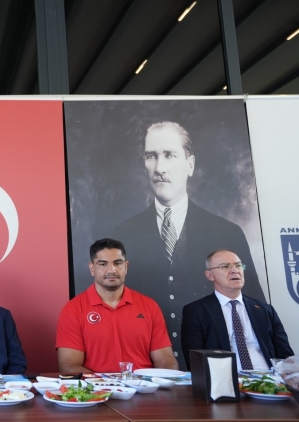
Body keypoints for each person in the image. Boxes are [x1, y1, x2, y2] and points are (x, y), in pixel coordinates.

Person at [113, 121, 265, 369]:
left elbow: (253, 307)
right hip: (149, 370)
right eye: (151, 156)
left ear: (190, 164)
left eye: (170, 155)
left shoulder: (227, 232)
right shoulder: (122, 235)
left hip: (214, 368)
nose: (159, 167)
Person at [57, 238, 178, 374]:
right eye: (103, 264)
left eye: (117, 263)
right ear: (92, 268)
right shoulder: (73, 309)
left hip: (143, 385)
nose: (112, 270)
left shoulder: (149, 306)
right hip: (96, 386)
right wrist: (105, 383)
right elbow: (69, 365)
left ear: (126, 267)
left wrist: (165, 377)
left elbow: (166, 360)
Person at [181, 249, 294, 370]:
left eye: (238, 265)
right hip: (226, 378)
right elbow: (195, 362)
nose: (235, 271)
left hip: (269, 377)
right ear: (210, 275)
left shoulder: (265, 310)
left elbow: (285, 356)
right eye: (225, 266)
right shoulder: (196, 311)